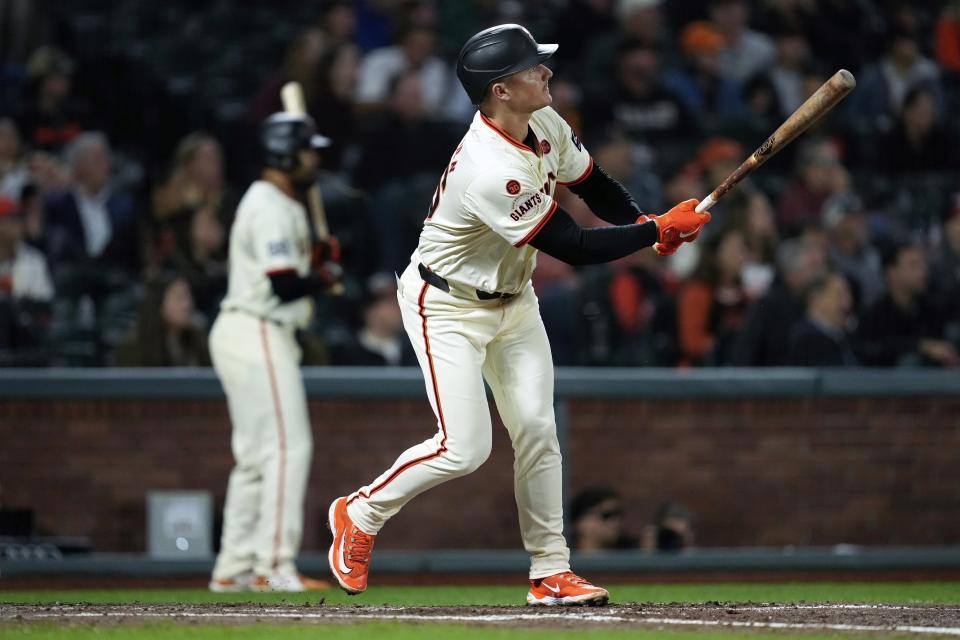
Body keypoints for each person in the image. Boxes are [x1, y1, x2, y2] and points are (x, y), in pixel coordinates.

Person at [326, 24, 710, 607]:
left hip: (513, 298)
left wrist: (647, 225)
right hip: (448, 303)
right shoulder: (488, 166)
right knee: (464, 448)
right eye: (534, 68)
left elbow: (594, 186)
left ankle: (550, 570)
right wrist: (653, 231)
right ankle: (359, 512)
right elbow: (574, 246)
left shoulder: (544, 122)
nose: (546, 73)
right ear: (500, 90)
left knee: (536, 429)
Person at [207, 112, 340, 593]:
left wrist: (317, 263)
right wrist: (321, 279)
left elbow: (292, 273)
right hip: (258, 326)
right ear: (285, 152)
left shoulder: (281, 203)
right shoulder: (267, 204)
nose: (314, 159)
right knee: (288, 447)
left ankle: (233, 566)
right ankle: (273, 565)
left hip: (250, 330)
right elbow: (283, 286)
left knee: (256, 456)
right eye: (308, 150)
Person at [855, 241, 959, 368]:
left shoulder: (933, 309)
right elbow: (872, 350)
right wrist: (921, 347)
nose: (923, 271)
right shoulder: (873, 314)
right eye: (913, 265)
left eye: (923, 264)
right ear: (891, 272)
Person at [111, 275, 210, 367]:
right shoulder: (135, 345)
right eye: (179, 298)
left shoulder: (198, 340)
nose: (187, 305)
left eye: (188, 297)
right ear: (160, 305)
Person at [786, 271, 858, 367]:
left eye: (848, 294)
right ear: (816, 299)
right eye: (839, 295)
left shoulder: (844, 336)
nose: (848, 302)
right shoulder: (805, 341)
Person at [568, 486, 638, 551]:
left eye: (619, 514)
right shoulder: (562, 559)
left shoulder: (628, 553)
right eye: (607, 515)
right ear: (582, 522)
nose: (616, 522)